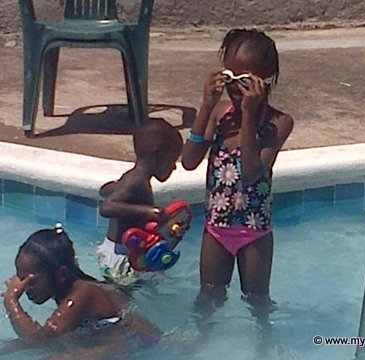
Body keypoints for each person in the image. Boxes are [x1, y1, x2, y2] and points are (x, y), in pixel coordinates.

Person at [181, 29, 294, 312]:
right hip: (216, 228)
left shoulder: (278, 123)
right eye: (228, 77)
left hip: (254, 230)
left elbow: (251, 172)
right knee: (208, 298)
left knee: (257, 304)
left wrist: (248, 115)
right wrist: (206, 107)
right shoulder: (219, 114)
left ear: (266, 82)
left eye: (243, 81)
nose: (233, 88)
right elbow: (189, 160)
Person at [2, 225, 160, 354]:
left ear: (61, 274)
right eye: (20, 277)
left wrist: (11, 300)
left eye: (30, 281)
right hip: (110, 338)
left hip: (136, 341)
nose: (23, 287)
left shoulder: (84, 294)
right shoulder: (71, 289)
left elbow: (40, 342)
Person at [97, 118, 183, 285]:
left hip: (121, 251)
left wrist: (115, 187)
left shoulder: (132, 179)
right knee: (125, 303)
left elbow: (104, 191)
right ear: (156, 155)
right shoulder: (136, 181)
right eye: (172, 160)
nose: (174, 167)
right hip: (121, 256)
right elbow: (106, 208)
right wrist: (148, 212)